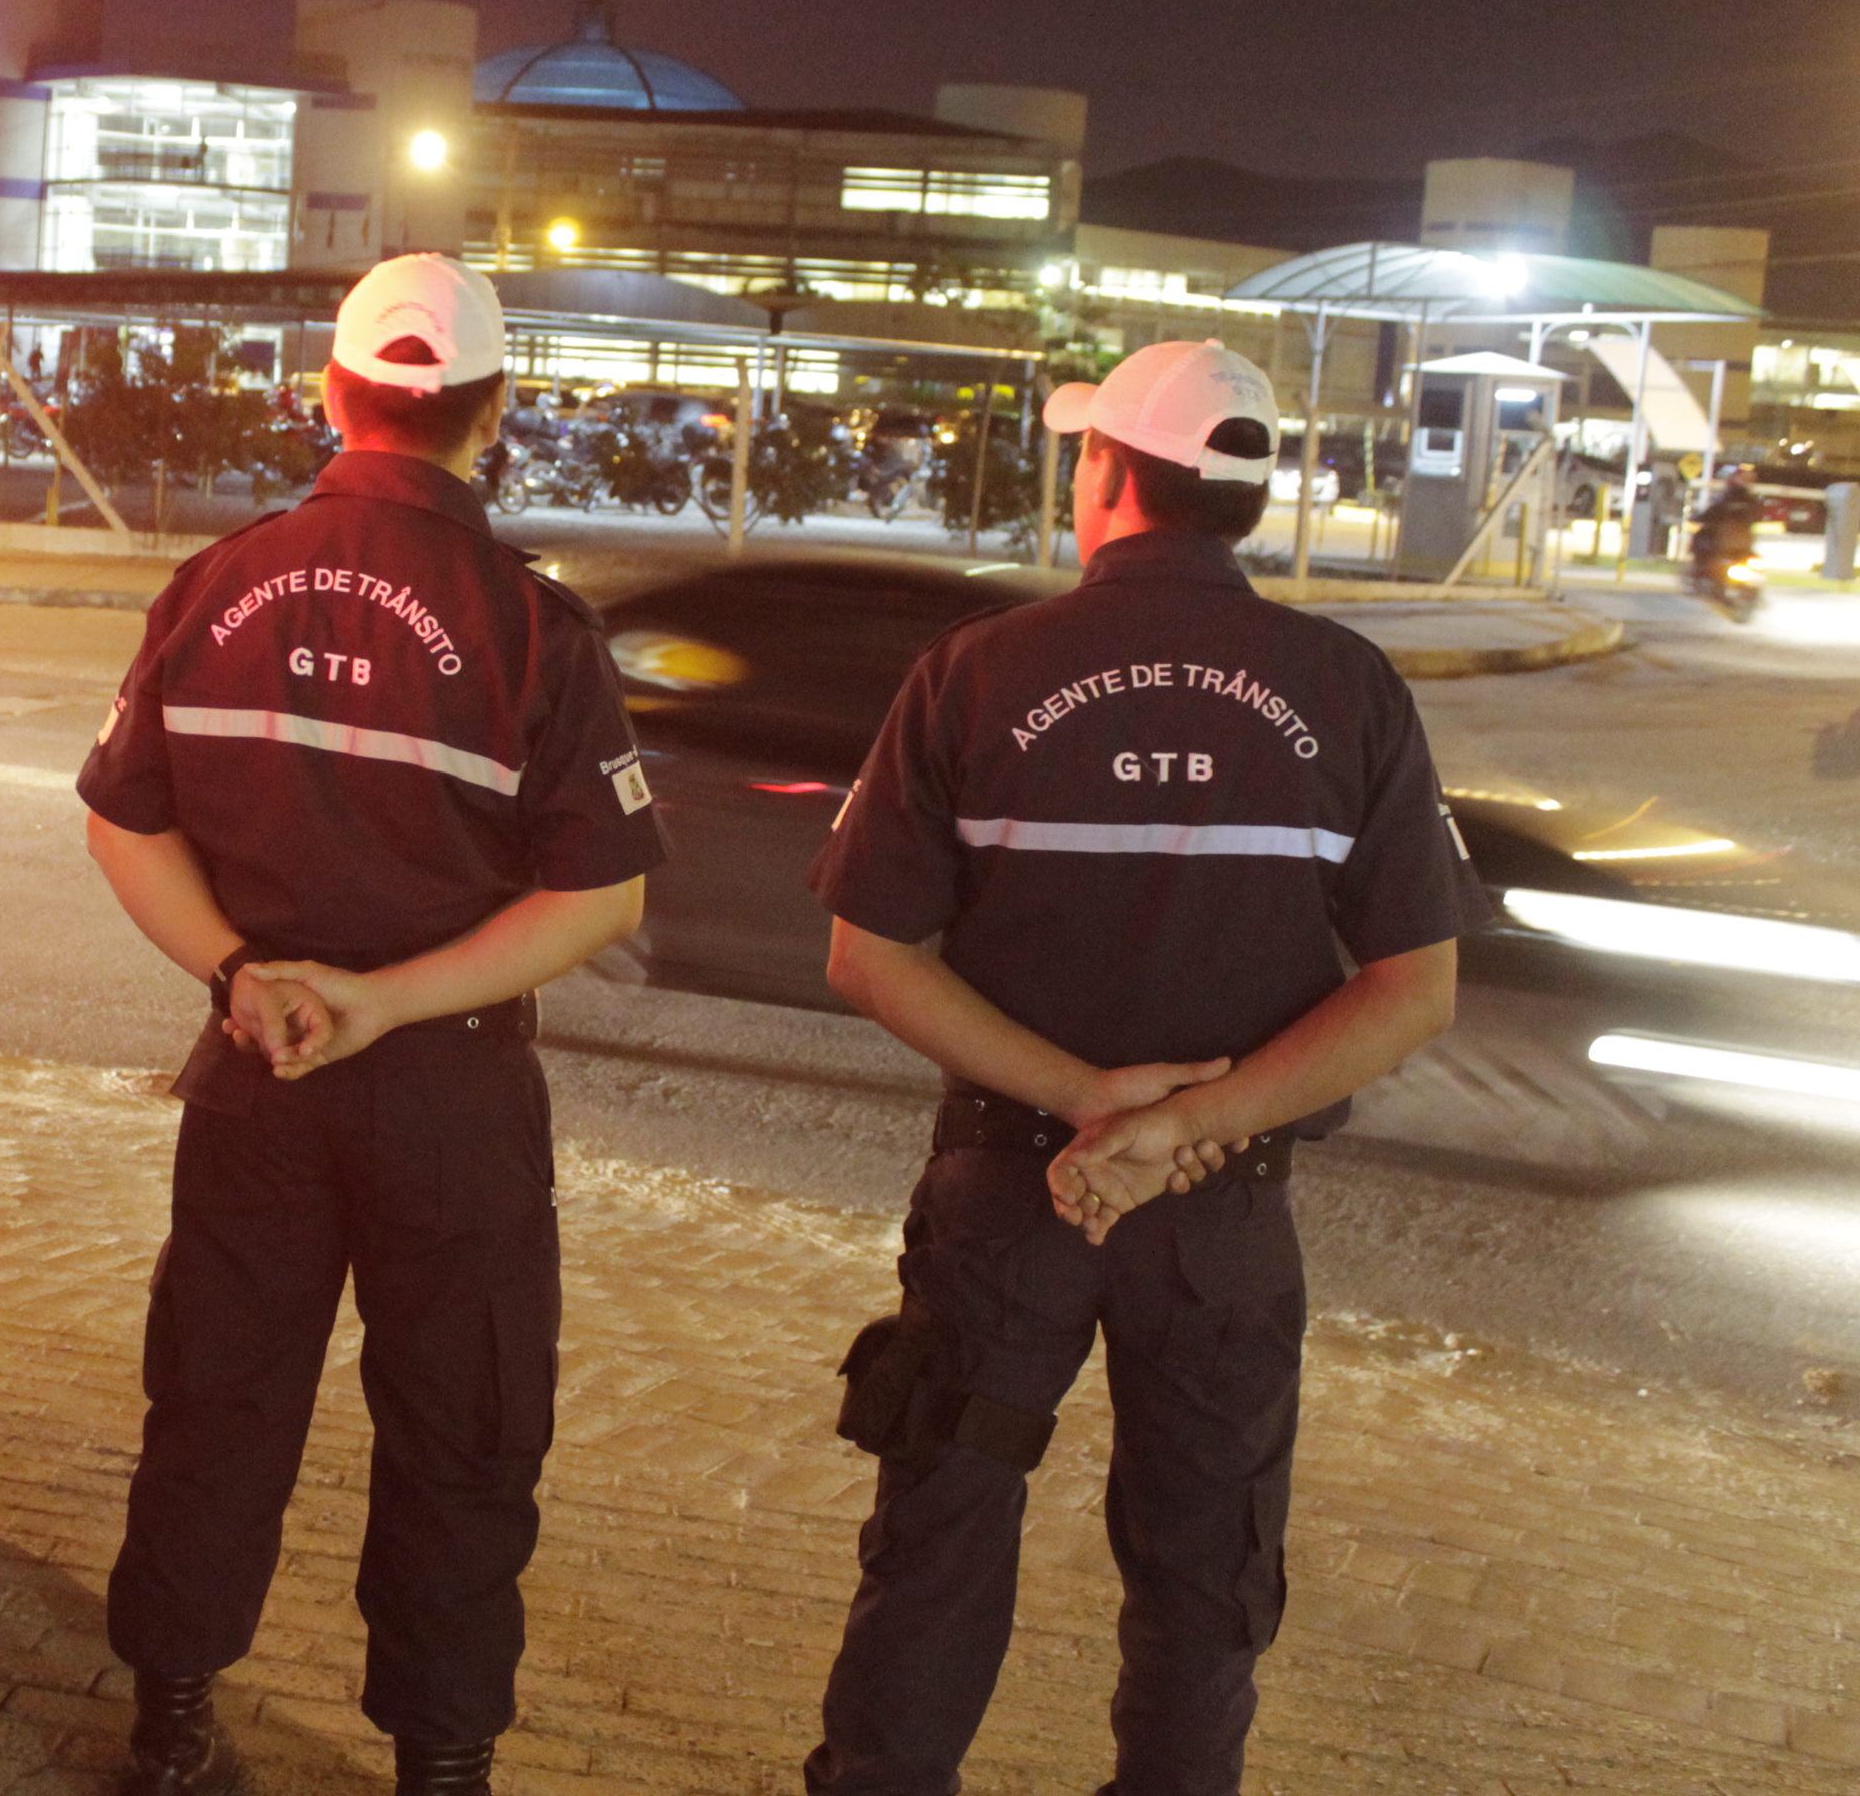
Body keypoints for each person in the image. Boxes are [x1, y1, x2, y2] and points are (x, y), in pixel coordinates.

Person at [799, 339, 1487, 1796]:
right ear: (1240, 498)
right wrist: (1193, 1126)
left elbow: (869, 954)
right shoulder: (1349, 688)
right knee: (1200, 1590)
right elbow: (1413, 991)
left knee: (938, 1544)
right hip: (1223, 1227)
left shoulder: (974, 674)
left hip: (1007, 1200)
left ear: (1106, 475)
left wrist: (1085, 1102)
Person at [76, 253, 667, 1796]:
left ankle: (172, 1728)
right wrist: (384, 1002)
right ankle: (443, 1764)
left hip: (256, 1069)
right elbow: (599, 901)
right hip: (448, 1095)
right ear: (493, 413)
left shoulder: (217, 581)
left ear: (332, 394)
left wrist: (240, 975)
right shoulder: (535, 625)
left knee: (217, 1396)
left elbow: (124, 826)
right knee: (463, 1427)